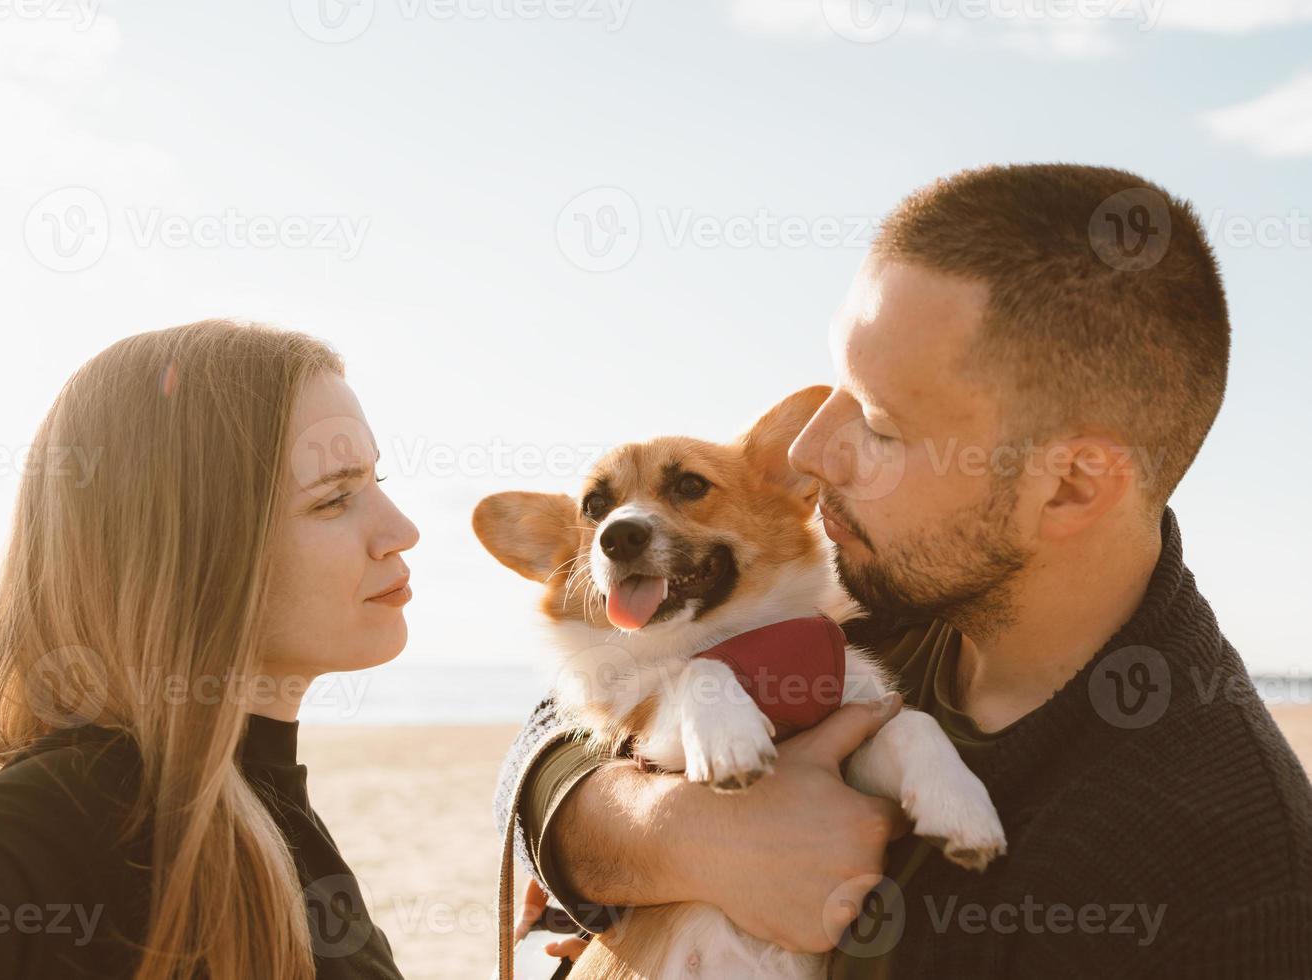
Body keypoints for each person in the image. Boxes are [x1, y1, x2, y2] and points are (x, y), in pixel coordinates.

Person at [494, 164, 1312, 977]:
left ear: (1068, 485)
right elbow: (549, 735)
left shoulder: (1224, 878)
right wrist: (676, 836)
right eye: (836, 394)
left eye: (879, 427)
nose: (814, 452)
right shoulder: (884, 586)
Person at [0, 320, 417, 979]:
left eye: (376, 483)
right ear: (188, 551)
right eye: (335, 498)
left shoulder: (261, 800)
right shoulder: (78, 811)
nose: (401, 530)